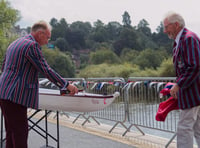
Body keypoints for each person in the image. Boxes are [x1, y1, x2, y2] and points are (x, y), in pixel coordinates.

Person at [0, 21, 78, 148]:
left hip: (3, 92)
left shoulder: (15, 43)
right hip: (15, 95)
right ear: (40, 34)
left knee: (11, 132)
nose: (48, 41)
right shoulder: (31, 45)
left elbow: (4, 67)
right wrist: (66, 85)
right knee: (20, 132)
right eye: (47, 37)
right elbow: (46, 70)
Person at [163, 12, 200, 148]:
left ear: (176, 25)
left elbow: (194, 66)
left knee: (184, 129)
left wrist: (179, 84)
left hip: (192, 92)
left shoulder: (188, 39)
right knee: (197, 128)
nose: (164, 30)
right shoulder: (183, 39)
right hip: (194, 91)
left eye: (167, 27)